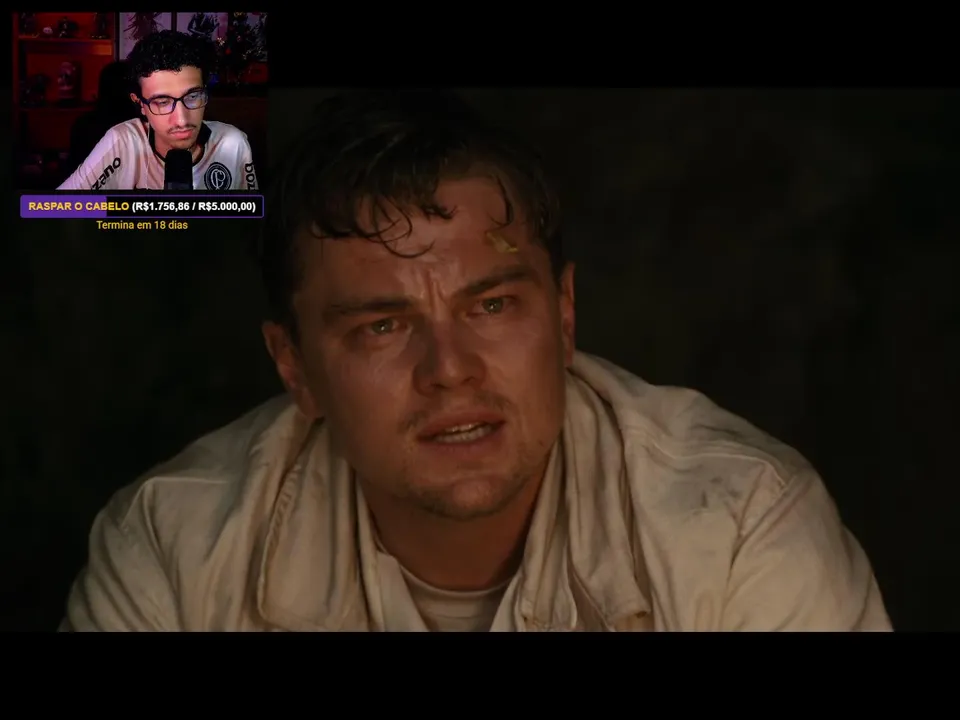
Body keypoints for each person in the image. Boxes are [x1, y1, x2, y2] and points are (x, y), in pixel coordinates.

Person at [60, 89, 891, 632]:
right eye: (383, 326)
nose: (450, 369)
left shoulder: (741, 526)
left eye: (491, 306)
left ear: (564, 315)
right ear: (295, 368)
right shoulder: (174, 550)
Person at [57, 30, 256, 192]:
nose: (181, 120)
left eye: (193, 96)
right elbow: (55, 209)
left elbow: (254, 218)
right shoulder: (122, 142)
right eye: (162, 102)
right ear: (140, 104)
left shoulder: (233, 144)